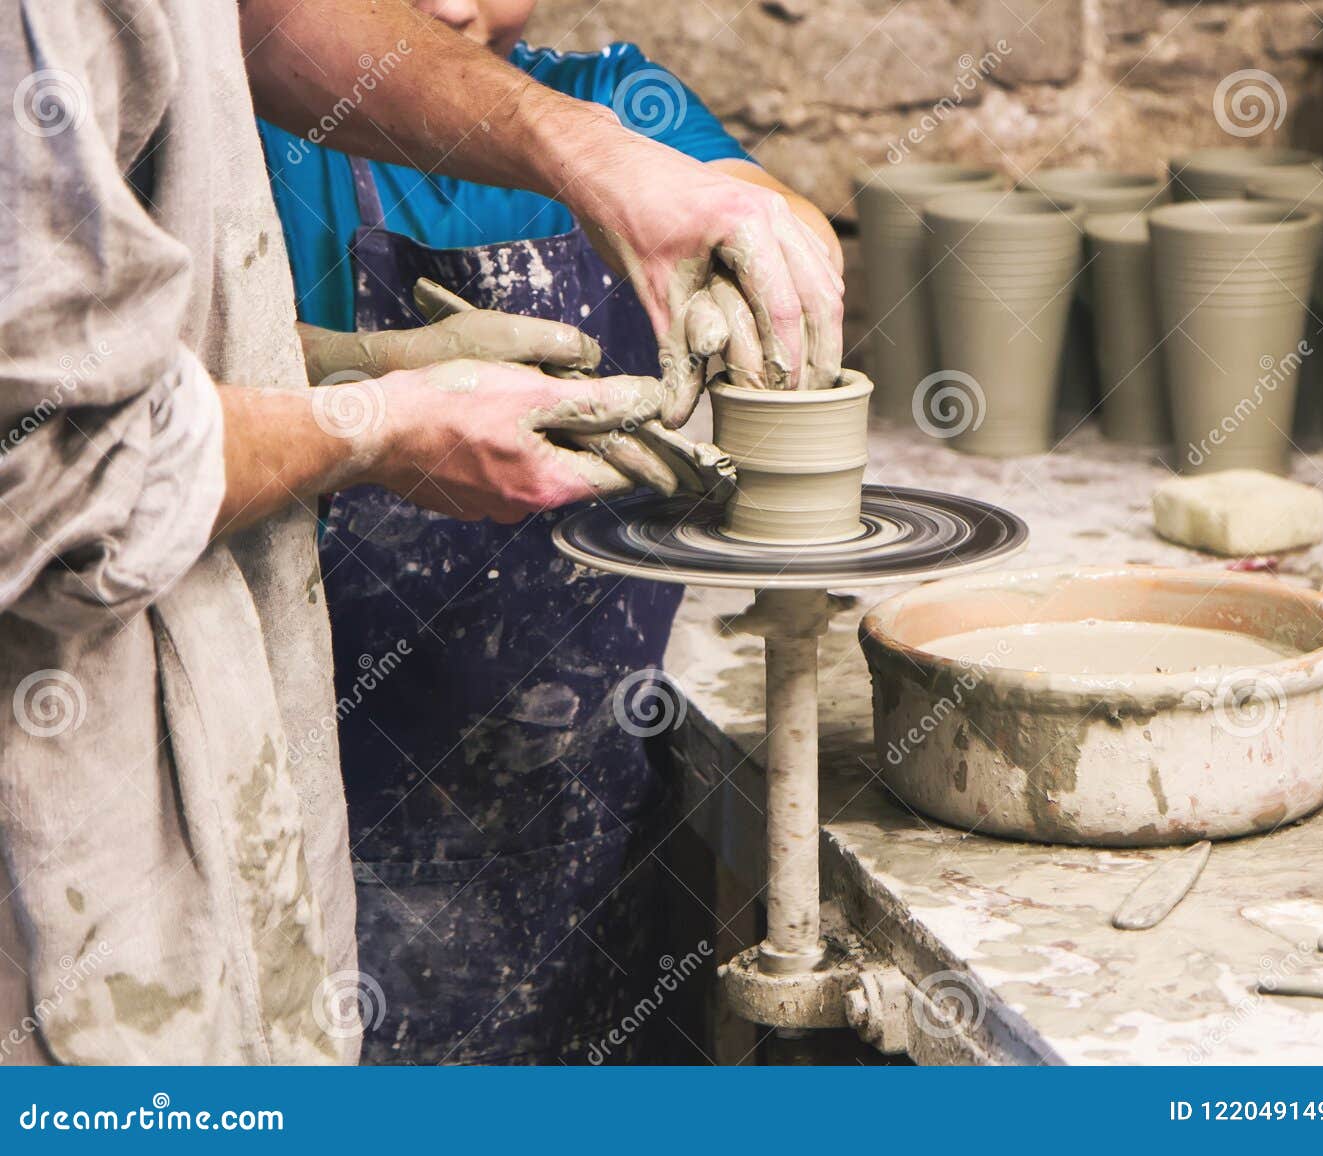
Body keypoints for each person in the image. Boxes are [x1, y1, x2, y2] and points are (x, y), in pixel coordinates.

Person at [0, 0, 841, 1066]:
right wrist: (375, 422)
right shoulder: (246, 134)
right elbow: (55, 454)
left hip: (559, 797)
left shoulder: (608, 99)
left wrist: (649, 182)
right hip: (193, 796)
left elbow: (257, 23)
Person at [256, 0, 843, 1065]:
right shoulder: (276, 113)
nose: (451, 7)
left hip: (590, 778)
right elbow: (141, 397)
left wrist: (757, 256)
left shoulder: (612, 103)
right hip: (336, 770)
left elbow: (768, 213)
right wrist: (356, 377)